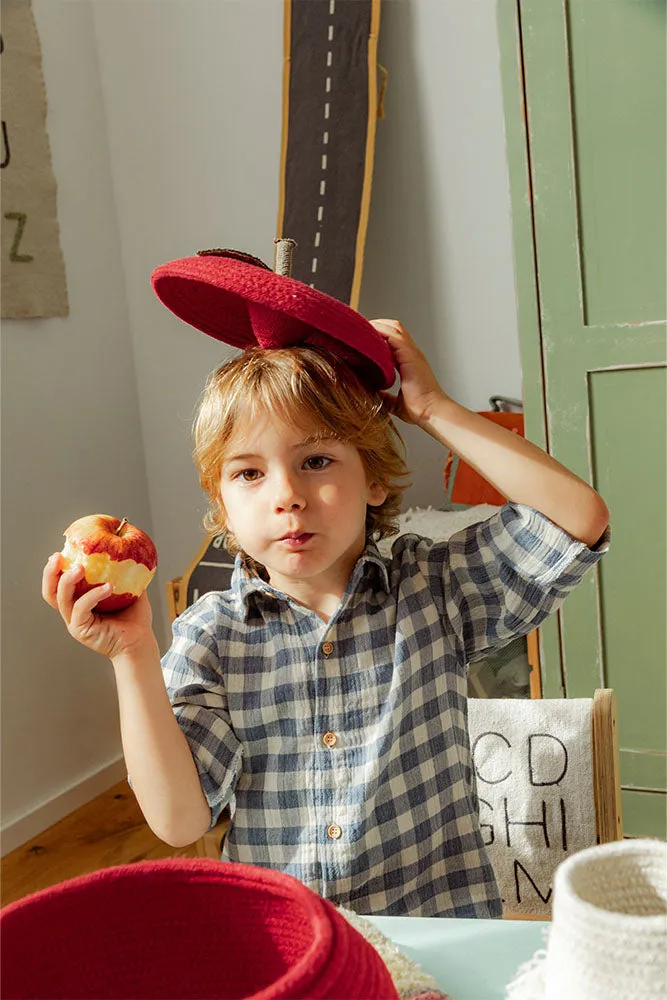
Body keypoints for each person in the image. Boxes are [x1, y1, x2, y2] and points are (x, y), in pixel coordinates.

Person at [42, 320, 610, 918]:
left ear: (374, 479)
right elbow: (180, 821)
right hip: (293, 939)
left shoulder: (433, 590)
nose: (287, 494)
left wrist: (434, 409)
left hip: (439, 926)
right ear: (223, 509)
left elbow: (577, 518)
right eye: (249, 473)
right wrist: (131, 655)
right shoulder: (210, 636)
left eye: (316, 459)